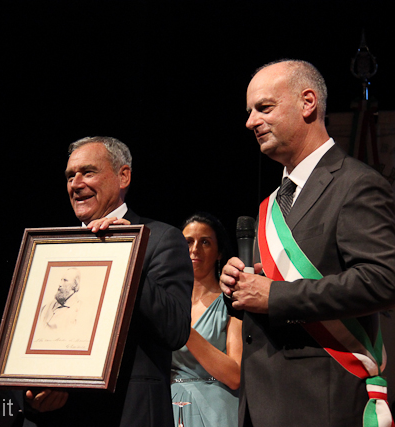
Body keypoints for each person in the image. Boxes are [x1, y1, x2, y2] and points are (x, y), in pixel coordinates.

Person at [220, 59, 395, 427]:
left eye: (264, 107)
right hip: (259, 404)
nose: (251, 122)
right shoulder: (271, 204)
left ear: (308, 103)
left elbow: (384, 280)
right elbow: (269, 294)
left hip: (320, 402)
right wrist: (239, 286)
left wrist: (275, 295)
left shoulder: (356, 183)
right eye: (249, 112)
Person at [23, 136, 193, 427]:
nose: (76, 184)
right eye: (70, 176)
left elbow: (175, 330)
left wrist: (125, 254)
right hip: (62, 416)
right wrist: (33, 396)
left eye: (88, 172)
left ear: (123, 176)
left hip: (129, 414)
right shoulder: (53, 251)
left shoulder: (161, 239)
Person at [171, 212, 241, 427]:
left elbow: (235, 376)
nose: (194, 249)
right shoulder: (167, 300)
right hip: (168, 406)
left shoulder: (232, 302)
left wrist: (184, 329)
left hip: (216, 411)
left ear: (219, 252)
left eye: (205, 242)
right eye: (188, 242)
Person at [38, 268, 82, 332]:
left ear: (75, 285)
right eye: (61, 280)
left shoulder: (79, 311)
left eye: (65, 280)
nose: (60, 284)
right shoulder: (47, 306)